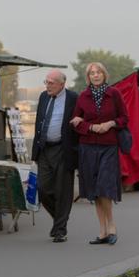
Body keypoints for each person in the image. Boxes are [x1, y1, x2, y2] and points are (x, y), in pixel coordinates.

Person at [70, 62, 128, 245]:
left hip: (108, 146)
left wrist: (110, 124)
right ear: (88, 77)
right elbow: (75, 122)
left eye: (98, 72)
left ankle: (111, 225)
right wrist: (92, 126)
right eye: (92, 73)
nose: (95, 75)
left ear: (104, 74)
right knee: (95, 189)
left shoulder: (114, 94)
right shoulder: (83, 97)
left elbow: (124, 118)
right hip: (88, 147)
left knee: (104, 185)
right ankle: (102, 231)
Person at [31, 70, 79, 243]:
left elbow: (81, 120)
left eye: (51, 82)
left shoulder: (73, 98)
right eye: (46, 82)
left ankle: (60, 229)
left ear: (62, 84)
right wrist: (34, 152)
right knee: (43, 189)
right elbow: (39, 122)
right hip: (44, 149)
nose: (47, 85)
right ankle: (60, 218)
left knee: (63, 191)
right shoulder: (43, 97)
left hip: (63, 149)